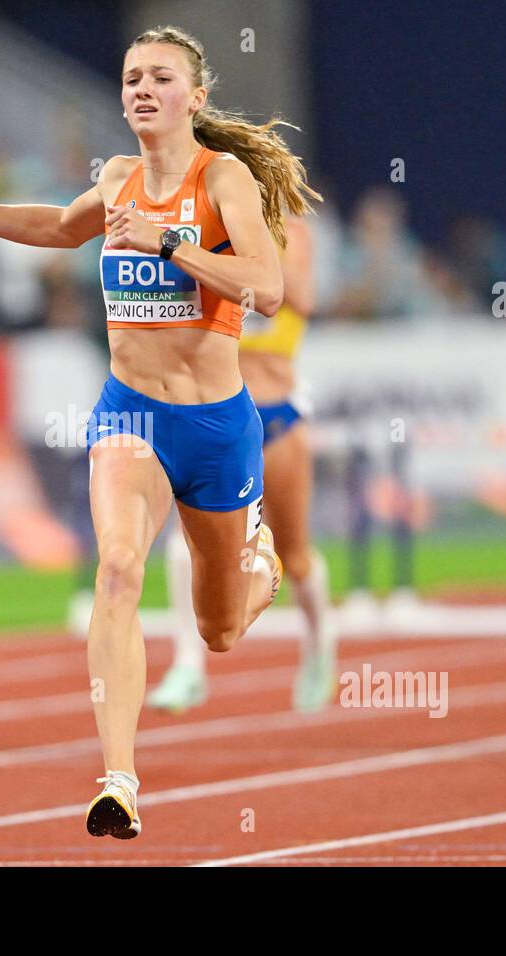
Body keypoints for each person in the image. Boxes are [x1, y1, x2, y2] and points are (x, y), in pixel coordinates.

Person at [0, 25, 320, 837]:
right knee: (119, 570)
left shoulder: (221, 178)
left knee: (219, 630)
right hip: (130, 411)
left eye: (160, 77)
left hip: (218, 425)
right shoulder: (118, 178)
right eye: (130, 78)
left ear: (194, 96)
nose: (140, 90)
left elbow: (267, 288)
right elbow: (60, 227)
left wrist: (171, 243)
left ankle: (257, 560)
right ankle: (119, 779)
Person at [149, 213, 339, 714]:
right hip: (218, 415)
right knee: (183, 539)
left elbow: (303, 299)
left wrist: (255, 245)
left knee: (295, 555)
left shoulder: (290, 233)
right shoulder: (202, 228)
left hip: (276, 413)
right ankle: (188, 665)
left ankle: (320, 649)